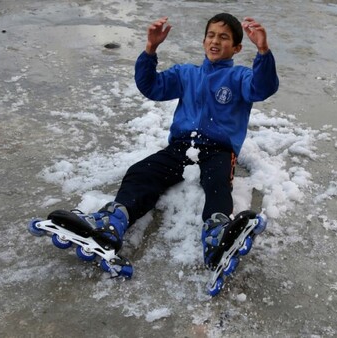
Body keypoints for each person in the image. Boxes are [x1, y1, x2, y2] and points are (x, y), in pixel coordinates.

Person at [78, 13, 279, 269]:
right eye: (211, 35)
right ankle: (114, 221)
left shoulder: (240, 78)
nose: (215, 41)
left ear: (237, 47)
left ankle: (217, 234)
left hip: (219, 150)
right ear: (204, 40)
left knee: (217, 183)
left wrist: (263, 51)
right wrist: (150, 50)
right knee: (140, 172)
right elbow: (152, 87)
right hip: (182, 147)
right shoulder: (186, 74)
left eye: (224, 37)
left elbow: (263, 88)